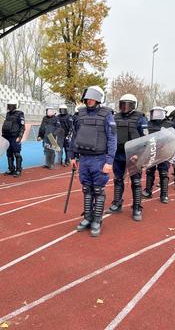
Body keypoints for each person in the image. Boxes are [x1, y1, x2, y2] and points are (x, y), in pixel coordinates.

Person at [70, 86, 117, 237]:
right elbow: (74, 136)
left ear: (99, 99)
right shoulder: (80, 114)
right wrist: (72, 156)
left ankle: (97, 220)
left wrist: (109, 161)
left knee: (98, 190)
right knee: (86, 189)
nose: (89, 100)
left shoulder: (107, 115)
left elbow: (112, 139)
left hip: (99, 158)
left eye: (92, 97)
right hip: (84, 158)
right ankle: (87, 217)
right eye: (87, 97)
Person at [106, 94, 148, 221]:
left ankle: (137, 208)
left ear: (134, 105)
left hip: (134, 155)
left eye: (127, 104)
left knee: (136, 182)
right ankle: (117, 204)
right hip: (118, 154)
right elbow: (110, 135)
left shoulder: (141, 119)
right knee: (118, 179)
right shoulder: (115, 117)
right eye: (122, 104)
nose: (124, 107)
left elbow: (146, 139)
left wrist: (140, 154)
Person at [142, 106, 170, 203]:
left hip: (164, 153)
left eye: (159, 112)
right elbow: (144, 137)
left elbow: (174, 138)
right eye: (155, 112)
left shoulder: (168, 124)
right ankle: (148, 191)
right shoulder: (148, 124)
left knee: (163, 173)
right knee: (150, 172)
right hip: (152, 152)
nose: (157, 114)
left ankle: (164, 195)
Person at [2, 99, 25, 177]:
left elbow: (22, 126)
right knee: (9, 154)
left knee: (17, 153)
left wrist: (20, 136)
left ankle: (18, 170)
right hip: (7, 136)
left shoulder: (20, 114)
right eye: (9, 105)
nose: (9, 107)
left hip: (15, 137)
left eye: (11, 106)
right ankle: (11, 169)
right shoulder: (8, 114)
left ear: (15, 106)